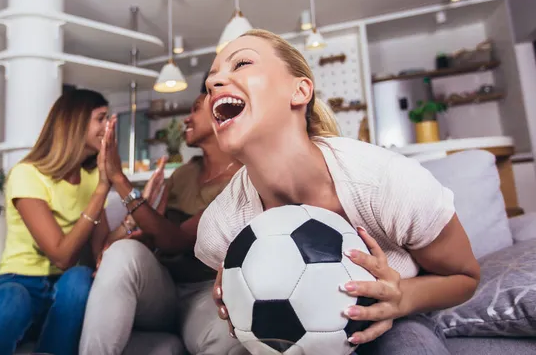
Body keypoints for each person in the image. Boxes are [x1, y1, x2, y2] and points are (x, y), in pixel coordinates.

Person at [194, 29, 481, 355]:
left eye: (242, 63)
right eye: (211, 80)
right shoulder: (220, 228)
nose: (213, 84)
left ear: (300, 91)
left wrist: (401, 297)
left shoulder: (386, 182)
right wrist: (239, 301)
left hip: (398, 319)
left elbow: (466, 277)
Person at [80, 81, 243, 355]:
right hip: (165, 287)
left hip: (206, 292)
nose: (186, 119)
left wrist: (119, 180)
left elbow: (175, 240)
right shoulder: (183, 175)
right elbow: (159, 237)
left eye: (195, 110)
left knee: (228, 341)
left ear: (221, 117)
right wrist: (118, 249)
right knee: (122, 253)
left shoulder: (243, 178)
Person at [0, 89, 112, 355]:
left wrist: (136, 211)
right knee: (12, 298)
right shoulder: (27, 174)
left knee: (79, 277)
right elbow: (61, 255)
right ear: (75, 123)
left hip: (64, 295)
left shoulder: (92, 179)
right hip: (20, 284)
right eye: (101, 118)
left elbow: (100, 251)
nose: (109, 126)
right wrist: (102, 190)